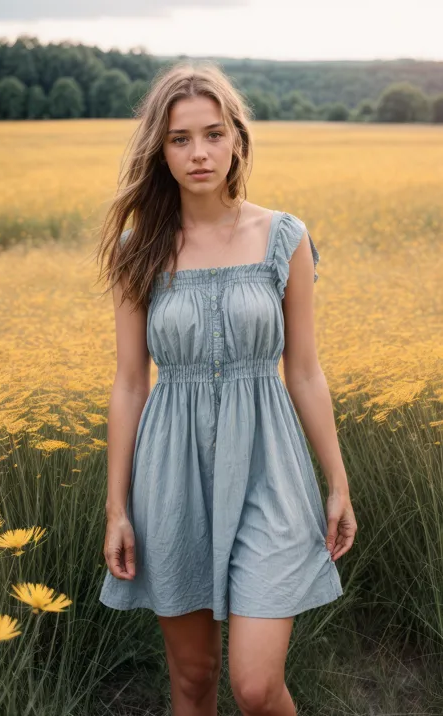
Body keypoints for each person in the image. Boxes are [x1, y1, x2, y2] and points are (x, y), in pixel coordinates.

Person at [97, 60, 357, 716]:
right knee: (192, 682)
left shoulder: (283, 238)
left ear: (236, 138)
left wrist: (338, 482)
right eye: (180, 139)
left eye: (213, 134)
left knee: (255, 685)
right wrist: (116, 506)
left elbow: (303, 371)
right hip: (171, 471)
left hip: (269, 467)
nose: (199, 153)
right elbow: (130, 384)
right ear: (161, 150)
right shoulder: (141, 247)